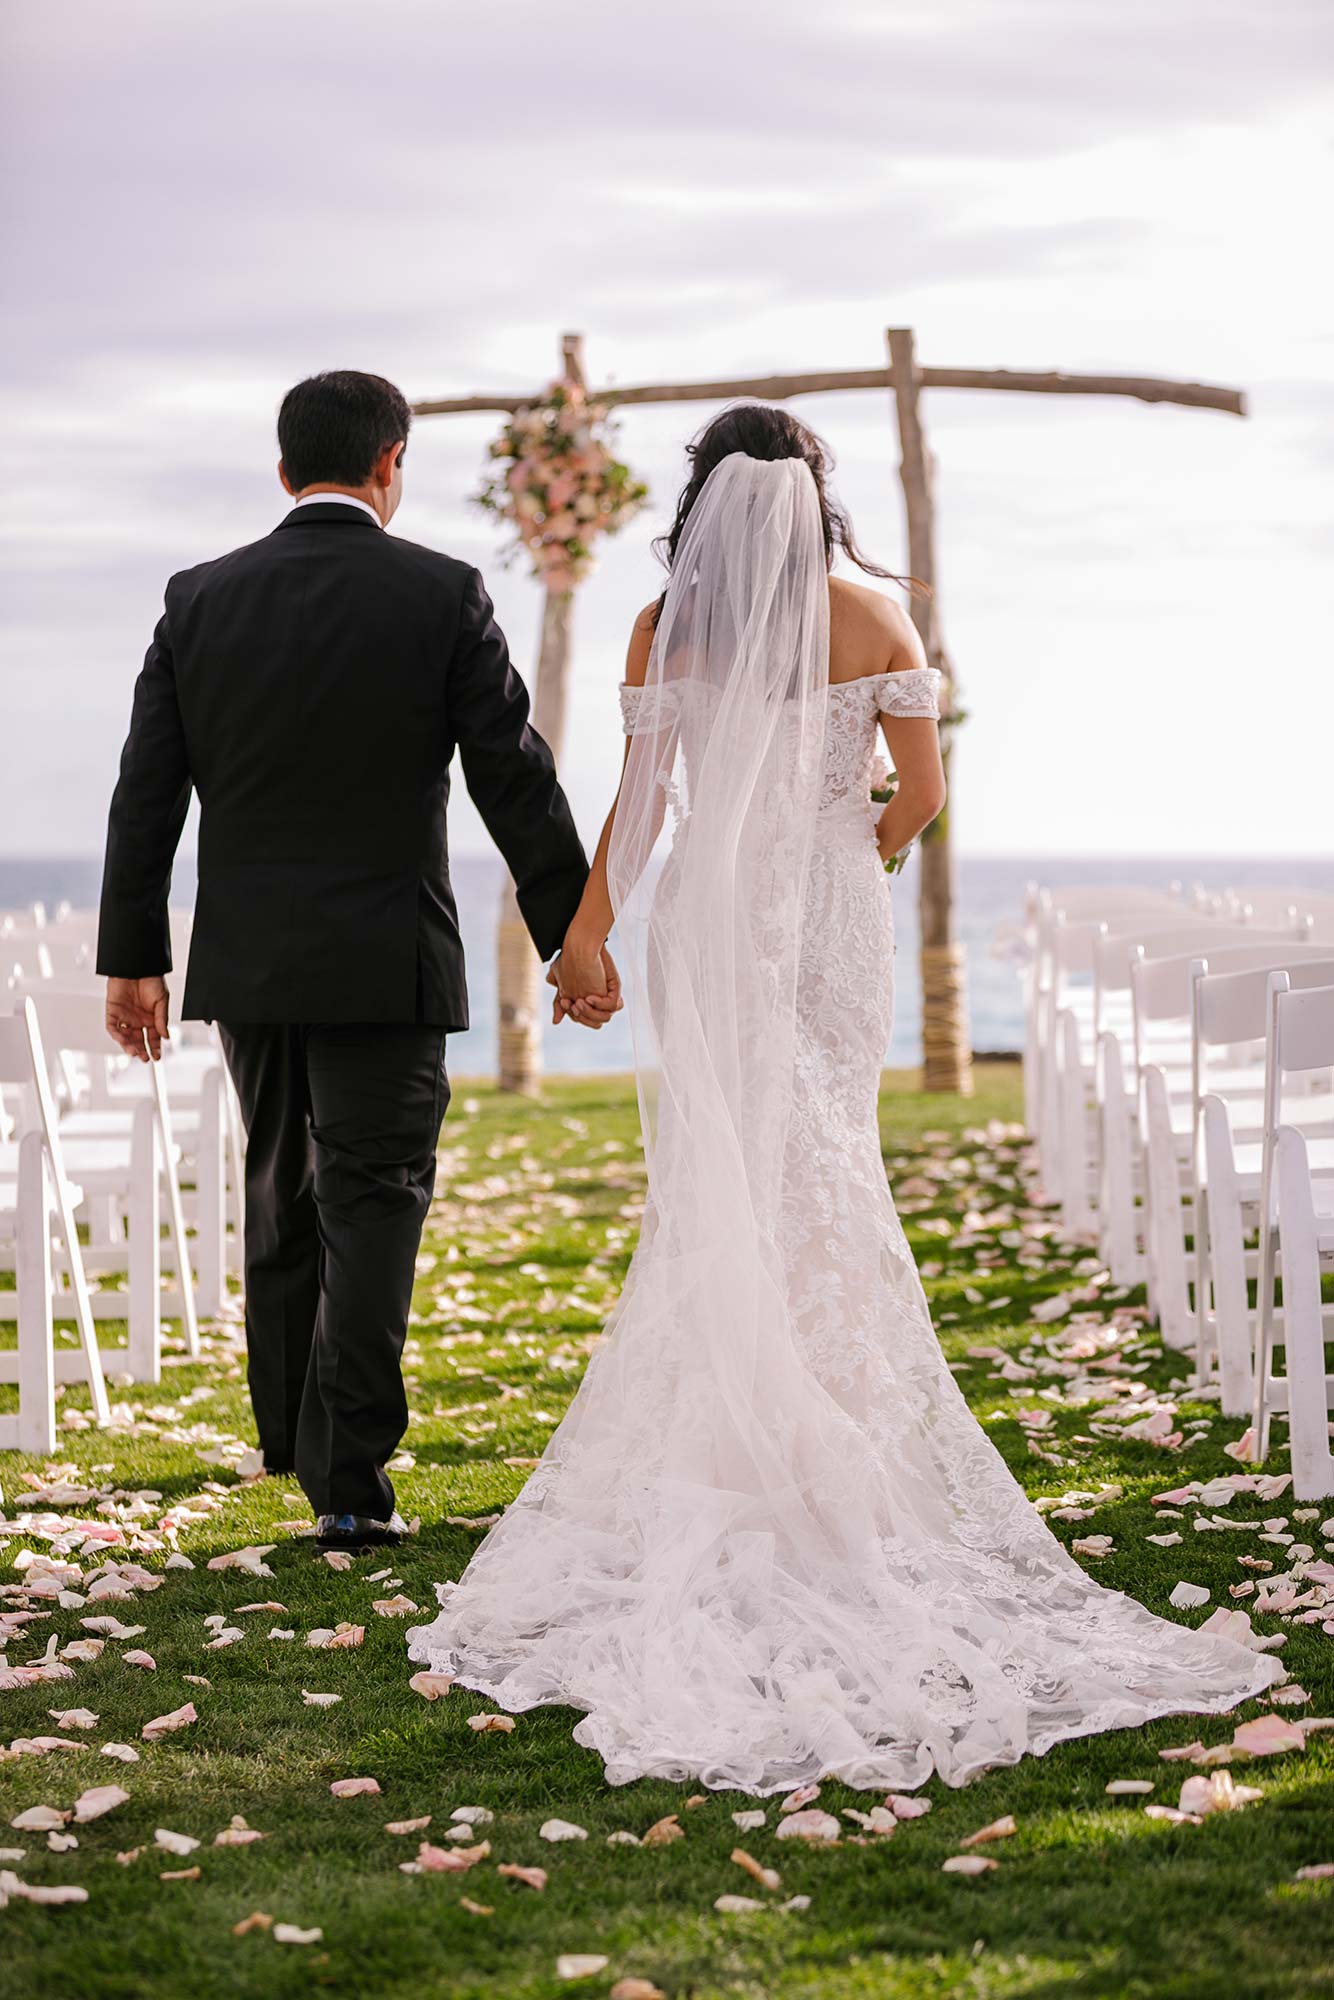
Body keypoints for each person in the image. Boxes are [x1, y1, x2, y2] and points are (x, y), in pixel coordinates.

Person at [408, 404, 1281, 1794]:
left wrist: (585, 937)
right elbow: (920, 795)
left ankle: (749, 1414)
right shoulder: (875, 613)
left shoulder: (661, 630)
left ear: (700, 499)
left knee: (729, 1163)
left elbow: (640, 807)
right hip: (825, 918)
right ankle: (823, 1417)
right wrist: (849, 848)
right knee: (827, 1149)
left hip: (703, 917)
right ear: (813, 495)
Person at [96, 369, 617, 1553]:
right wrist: (570, 935)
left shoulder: (199, 598)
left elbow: (146, 791)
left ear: (284, 472)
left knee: (282, 1190)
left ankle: (299, 1437)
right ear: (392, 465)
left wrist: (134, 956)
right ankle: (345, 1473)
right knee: (372, 1203)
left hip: (252, 963)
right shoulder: (442, 593)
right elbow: (513, 777)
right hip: (388, 960)